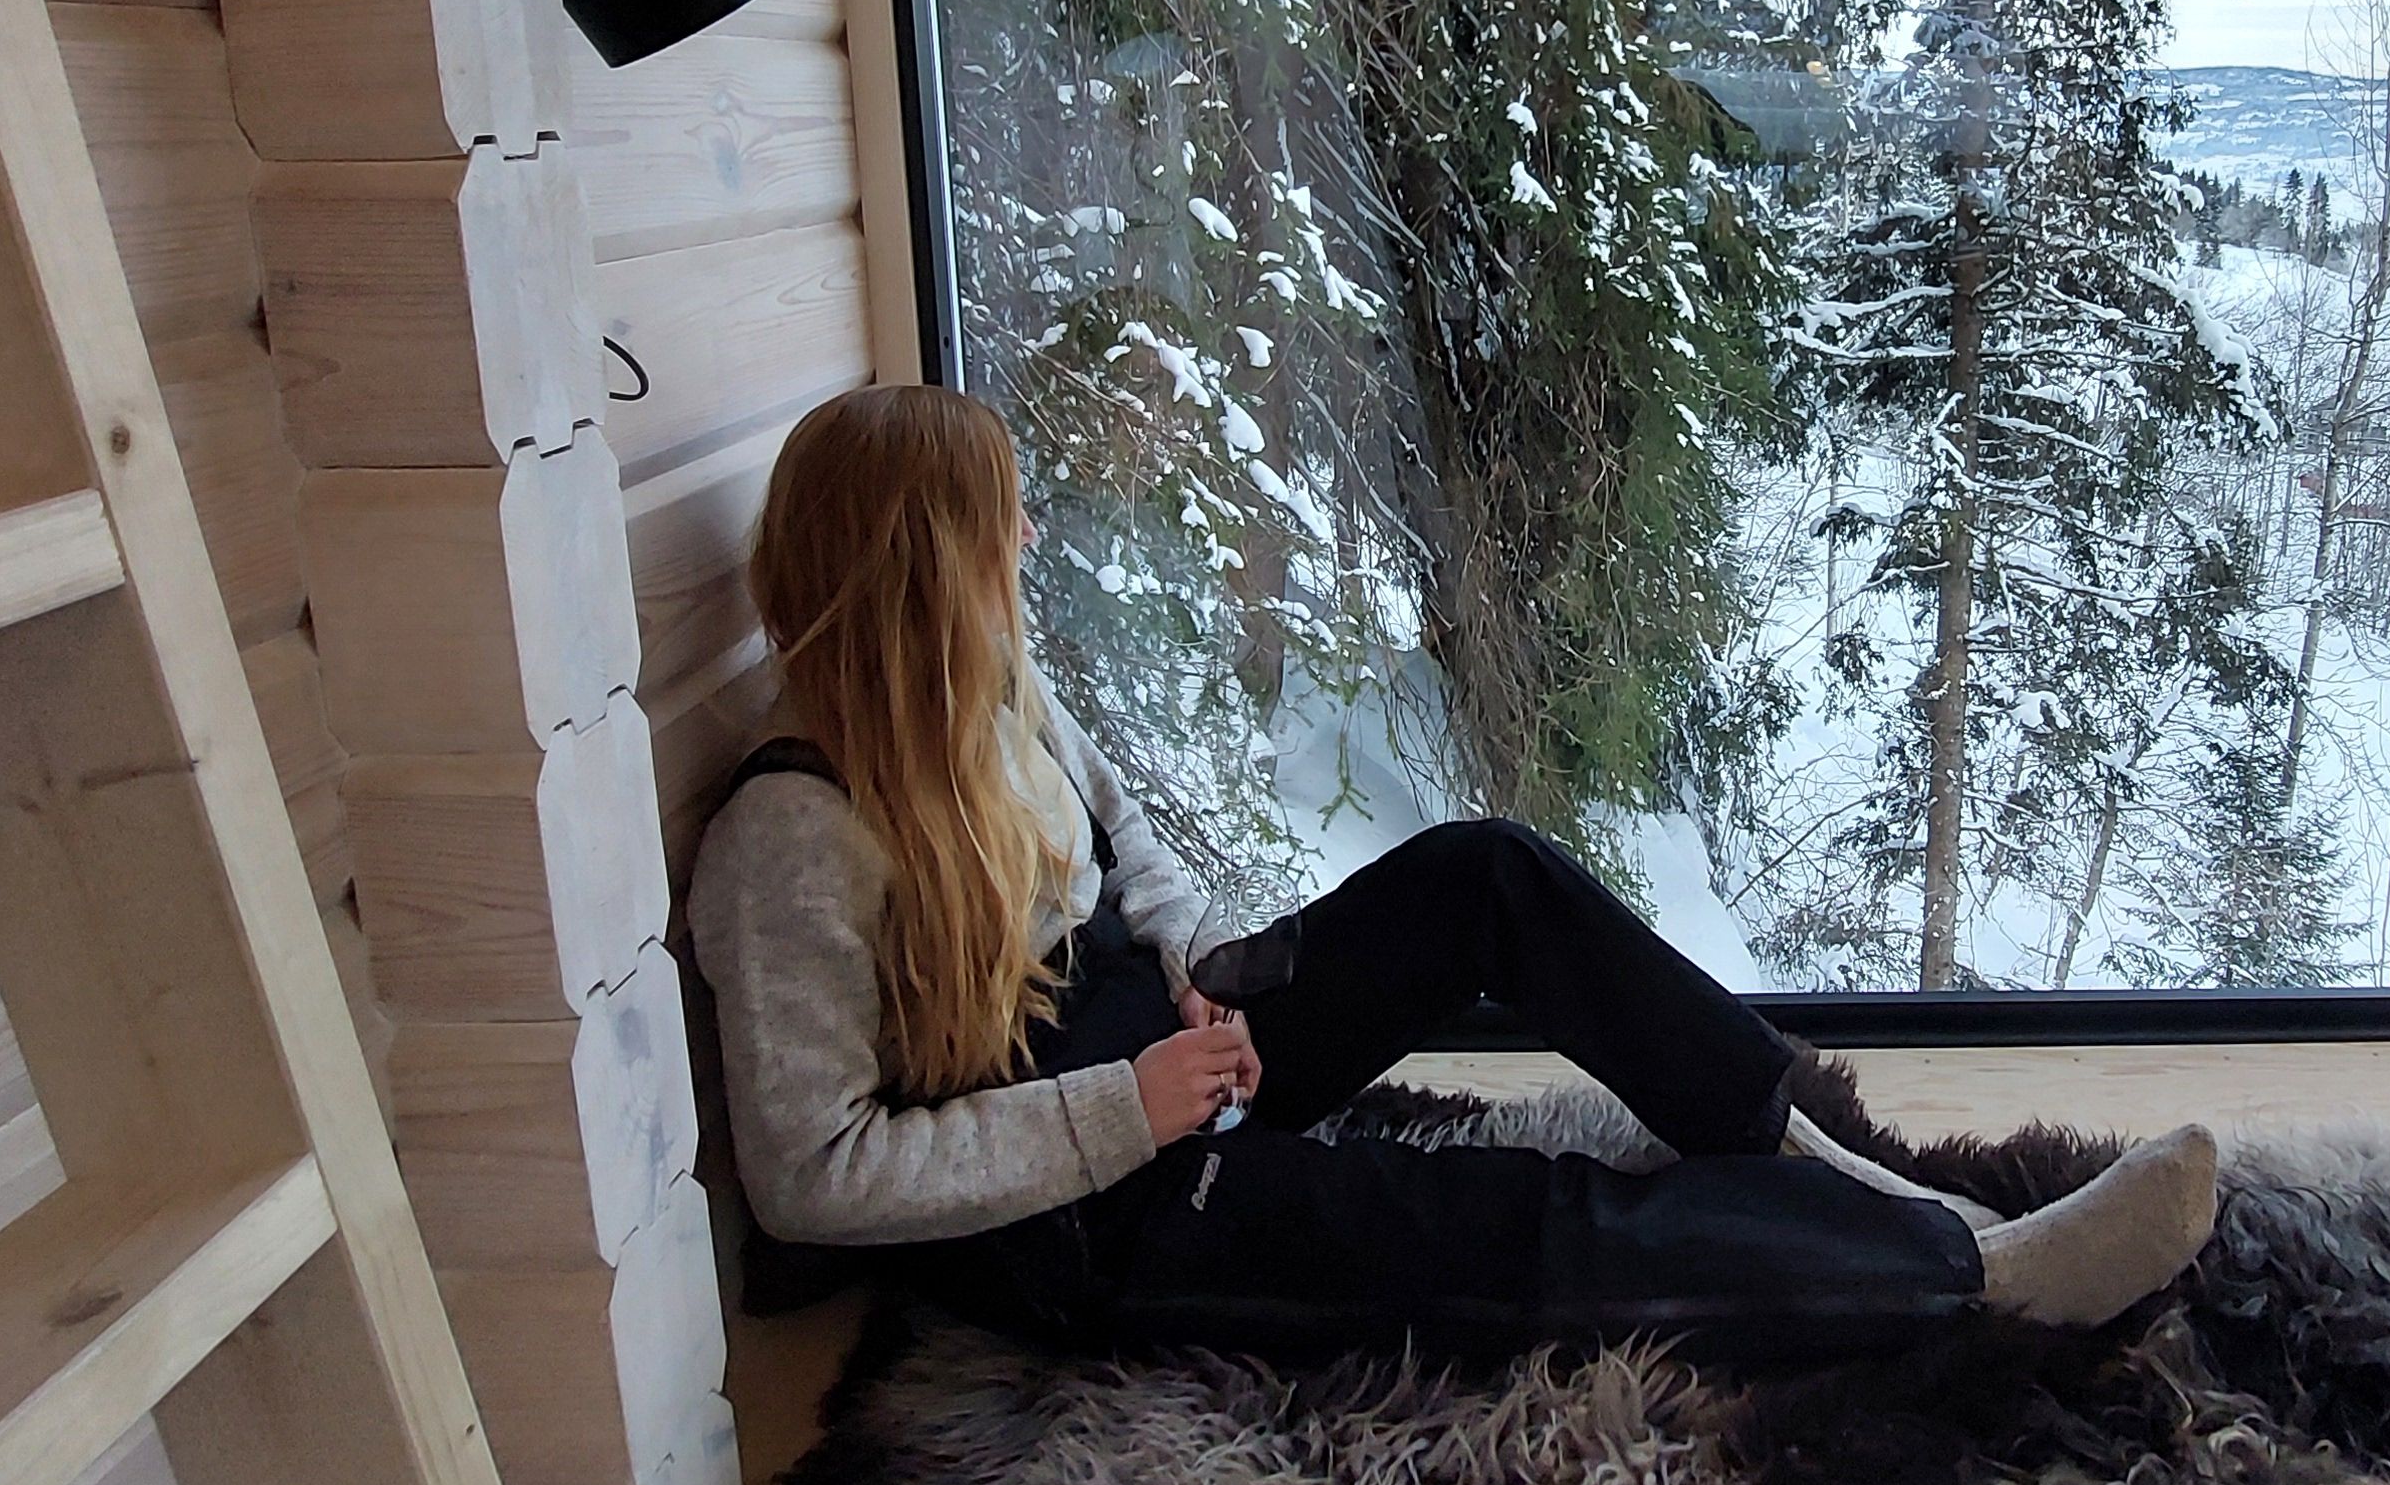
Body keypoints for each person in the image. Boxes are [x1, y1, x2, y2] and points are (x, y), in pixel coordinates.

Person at [687, 384, 2220, 1369]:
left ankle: (1820, 1160)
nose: (1028, 533)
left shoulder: (990, 683)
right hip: (1080, 1216)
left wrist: (1199, 974)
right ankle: (1974, 1277)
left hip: (1156, 1055)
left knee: (1486, 875)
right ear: (928, 568)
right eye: (998, 517)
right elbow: (812, 1178)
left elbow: (1126, 848)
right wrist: (1133, 1108)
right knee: (1515, 1229)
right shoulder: (792, 837)